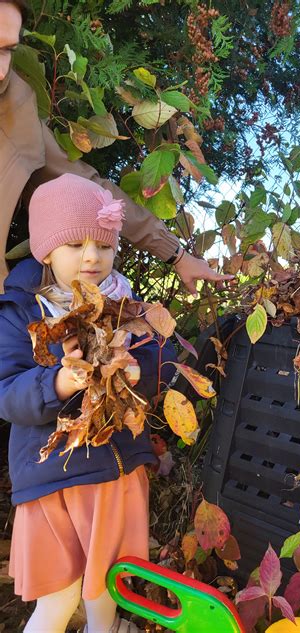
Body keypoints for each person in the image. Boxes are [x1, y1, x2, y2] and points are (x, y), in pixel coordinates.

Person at [0, 173, 177, 632]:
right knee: (57, 599)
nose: (92, 257)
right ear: (46, 249)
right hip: (54, 478)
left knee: (106, 592)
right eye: (76, 245)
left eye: (104, 245)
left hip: (115, 473)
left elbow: (164, 356)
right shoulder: (24, 312)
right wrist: (57, 382)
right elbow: (7, 392)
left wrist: (141, 369)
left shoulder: (126, 304)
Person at [0, 0, 234, 294]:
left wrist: (177, 254)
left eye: (7, 50)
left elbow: (90, 192)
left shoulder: (13, 105)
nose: (2, 70)